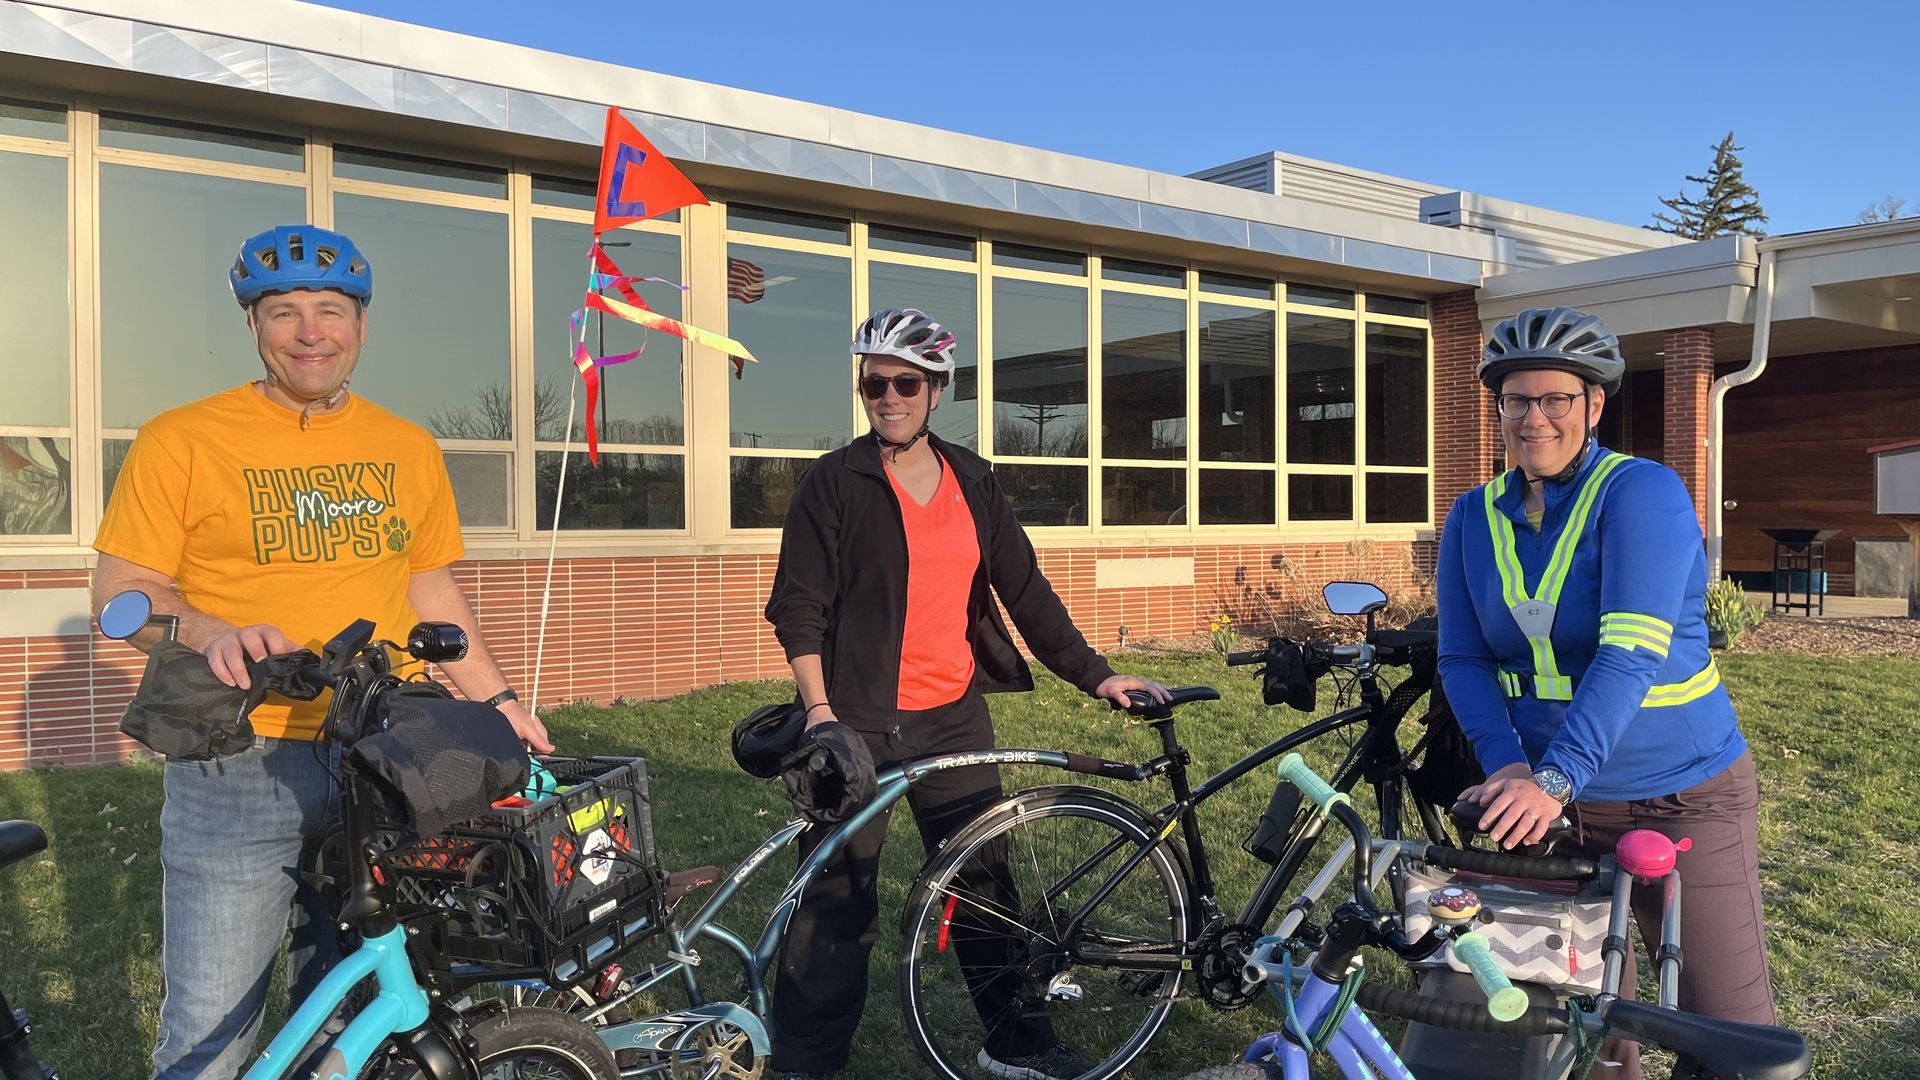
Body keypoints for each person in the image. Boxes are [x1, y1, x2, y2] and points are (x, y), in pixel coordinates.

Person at [91, 224, 553, 1080]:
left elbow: (431, 590)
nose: (311, 332)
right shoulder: (181, 439)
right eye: (284, 312)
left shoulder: (407, 445)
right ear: (254, 328)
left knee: (355, 1016)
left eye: (330, 310)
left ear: (362, 326)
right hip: (240, 758)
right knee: (211, 1029)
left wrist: (498, 704)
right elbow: (119, 601)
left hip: (385, 755)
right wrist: (207, 628)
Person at [763, 307, 1171, 1080]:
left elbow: (1027, 591)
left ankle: (1015, 1041)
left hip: (952, 719)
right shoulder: (834, 482)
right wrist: (820, 717)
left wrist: (1096, 671)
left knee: (984, 883)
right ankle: (804, 1062)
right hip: (852, 723)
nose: (888, 396)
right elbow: (800, 606)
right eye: (874, 382)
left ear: (936, 390)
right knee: (837, 897)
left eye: (905, 383)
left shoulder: (973, 480)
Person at [1436, 306, 1777, 1077]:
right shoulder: (1470, 517)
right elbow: (1461, 659)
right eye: (1517, 400)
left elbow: (1629, 655)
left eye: (1556, 399)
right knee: (1574, 1033)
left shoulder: (1642, 494)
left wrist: (1553, 775)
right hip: (1550, 809)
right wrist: (1511, 769)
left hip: (1679, 796)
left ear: (1593, 406)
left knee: (1731, 1035)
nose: (1535, 418)